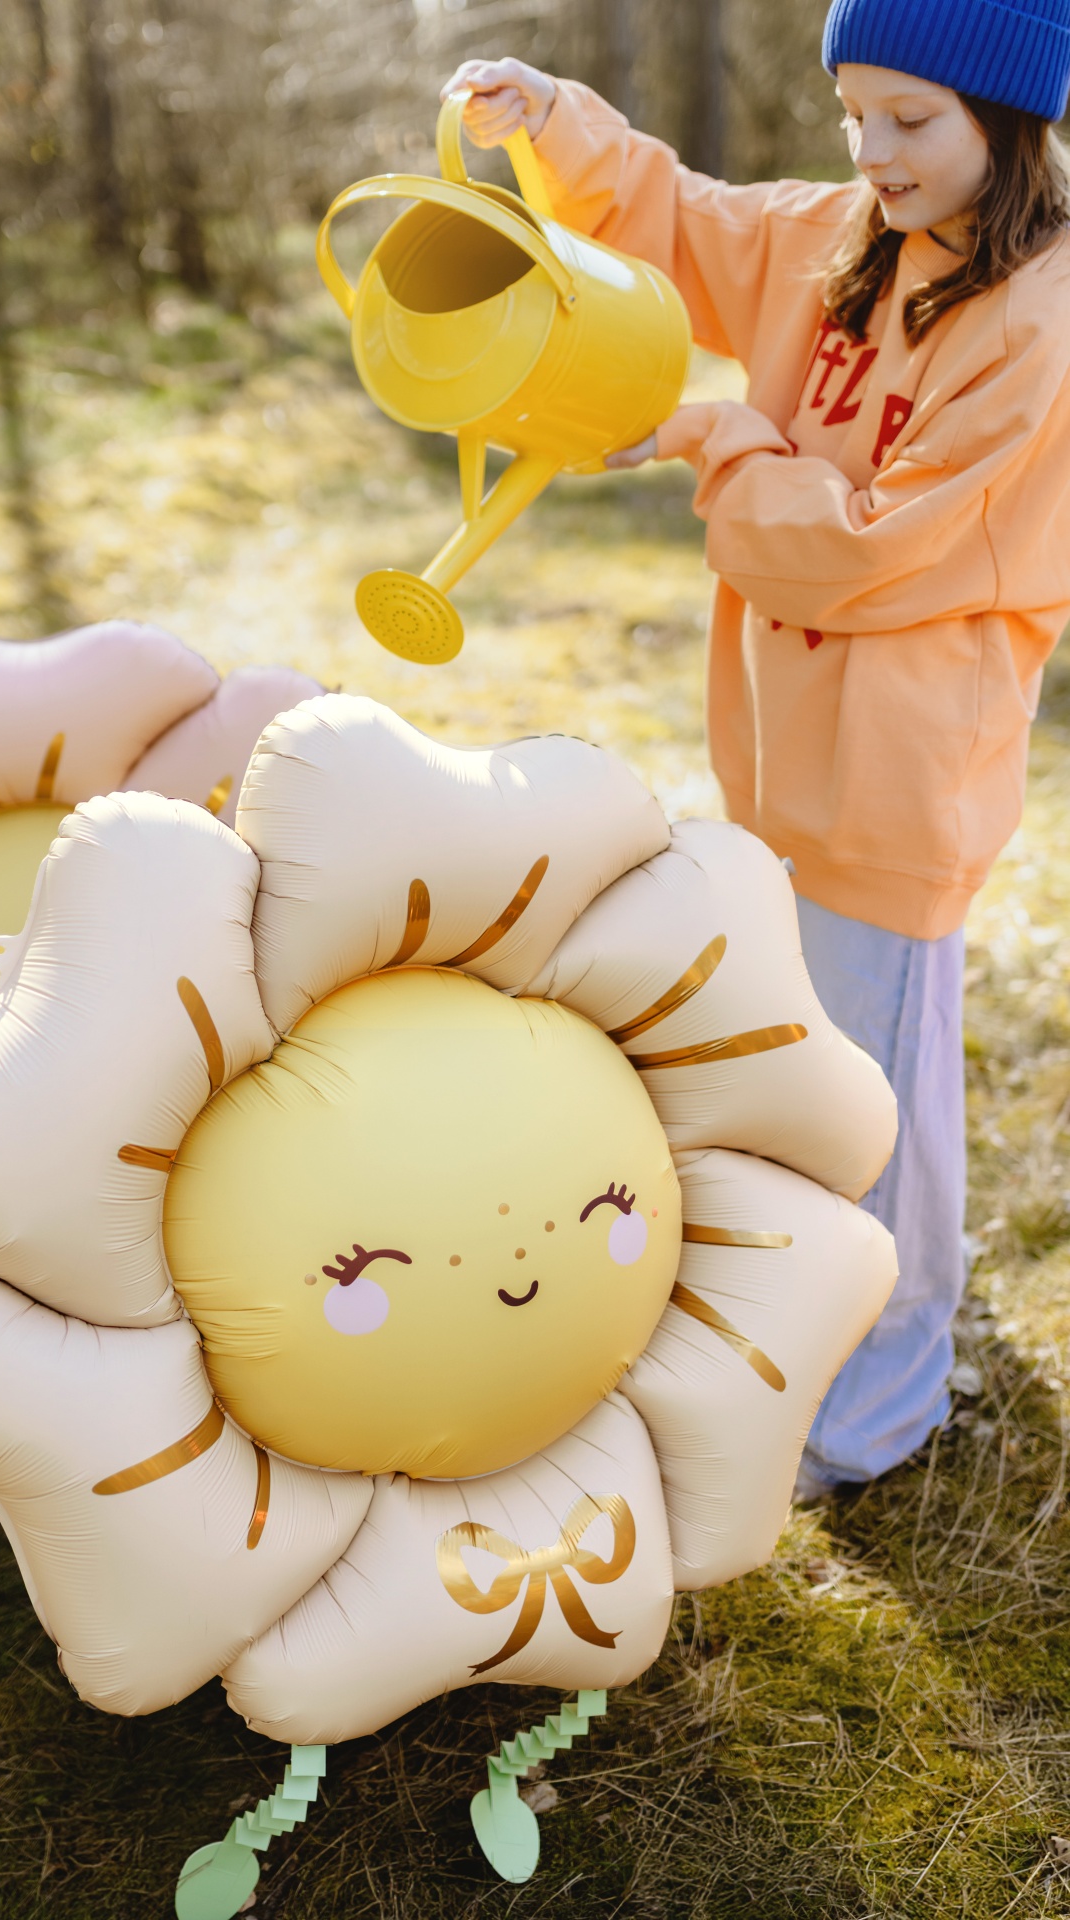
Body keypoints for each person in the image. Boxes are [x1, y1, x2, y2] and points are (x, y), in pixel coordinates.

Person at [442, 0, 1070, 1496]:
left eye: (912, 120)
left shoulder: (1040, 325)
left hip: (900, 785)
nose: (874, 152)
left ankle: (878, 1407)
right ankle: (808, 1322)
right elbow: (688, 225)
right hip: (784, 762)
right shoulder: (845, 236)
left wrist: (716, 438)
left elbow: (860, 552)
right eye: (854, 113)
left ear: (1015, 117)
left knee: (882, 1107)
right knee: (805, 1080)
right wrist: (560, 124)